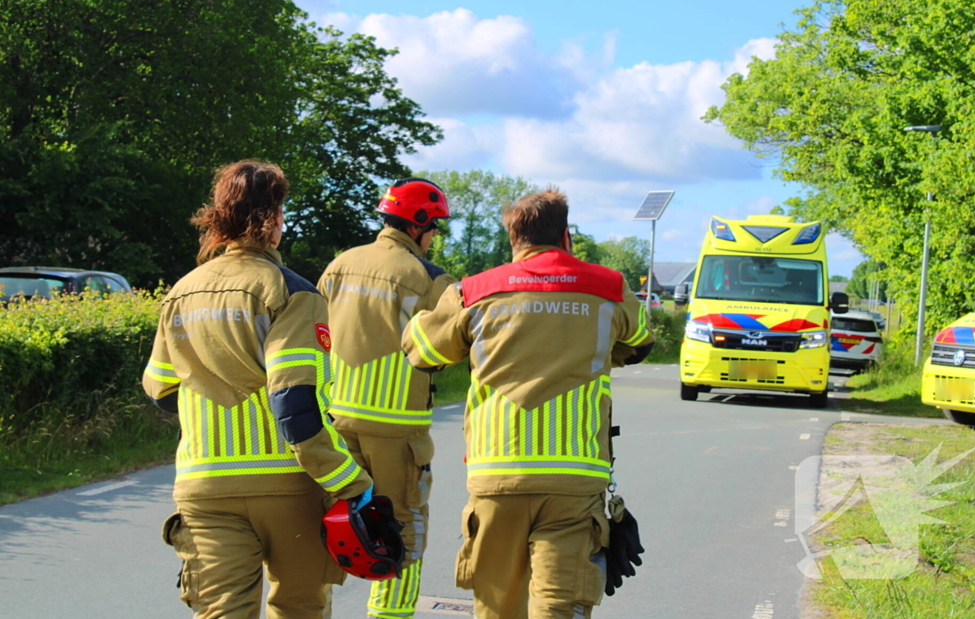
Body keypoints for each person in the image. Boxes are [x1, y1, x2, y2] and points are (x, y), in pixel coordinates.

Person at [401, 188, 655, 619]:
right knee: (558, 605)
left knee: (498, 608)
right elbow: (639, 343)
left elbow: (422, 351)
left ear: (513, 238)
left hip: (497, 477)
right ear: (566, 235)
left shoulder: (475, 291)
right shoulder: (609, 287)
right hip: (574, 480)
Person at [142, 160, 375, 619]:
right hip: (287, 489)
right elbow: (295, 403)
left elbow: (160, 390)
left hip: (204, 486)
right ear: (272, 218)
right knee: (299, 609)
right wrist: (351, 481)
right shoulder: (292, 292)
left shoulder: (181, 293)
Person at [318, 177, 455, 619]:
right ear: (418, 225)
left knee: (332, 529)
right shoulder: (431, 280)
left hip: (335, 425)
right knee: (403, 533)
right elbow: (441, 353)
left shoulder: (338, 265)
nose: (435, 238)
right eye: (435, 228)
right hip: (397, 431)